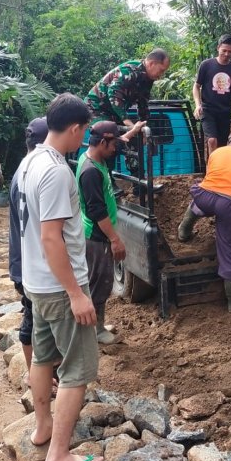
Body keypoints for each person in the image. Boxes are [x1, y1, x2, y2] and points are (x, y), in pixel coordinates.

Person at [18, 93, 106, 461]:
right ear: (74, 128)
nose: (83, 138)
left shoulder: (30, 161)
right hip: (59, 286)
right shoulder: (56, 171)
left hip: (37, 283)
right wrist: (76, 294)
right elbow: (51, 236)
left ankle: (42, 428)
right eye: (83, 131)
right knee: (77, 370)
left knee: (43, 356)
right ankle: (59, 457)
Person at [177, 130, 231, 312]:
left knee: (201, 199)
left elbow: (212, 177)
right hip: (230, 204)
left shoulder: (216, 152)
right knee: (230, 249)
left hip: (204, 195)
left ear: (229, 141)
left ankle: (183, 231)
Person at [76, 120, 145, 344]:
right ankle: (95, 331)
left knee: (99, 281)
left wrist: (132, 132)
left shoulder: (93, 158)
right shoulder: (90, 172)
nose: (116, 148)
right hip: (97, 236)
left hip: (97, 234)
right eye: (113, 143)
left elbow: (120, 141)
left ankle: (97, 325)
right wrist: (114, 239)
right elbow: (97, 210)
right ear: (103, 142)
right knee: (100, 282)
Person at [9, 117, 49, 380]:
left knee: (34, 318)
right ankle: (37, 377)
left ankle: (41, 374)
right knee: (32, 321)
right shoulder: (34, 172)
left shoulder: (22, 170)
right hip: (29, 264)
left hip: (22, 261)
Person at [85, 49, 170, 127]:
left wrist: (143, 126)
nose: (161, 75)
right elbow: (114, 93)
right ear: (151, 63)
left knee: (128, 138)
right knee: (108, 133)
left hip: (113, 113)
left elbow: (143, 103)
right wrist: (126, 120)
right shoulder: (129, 71)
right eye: (161, 70)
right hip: (95, 109)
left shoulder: (148, 78)